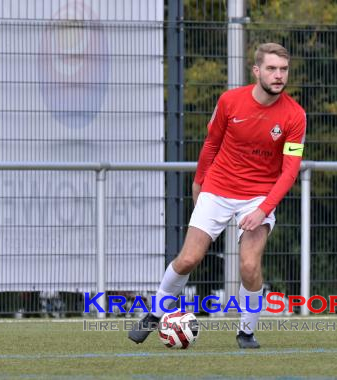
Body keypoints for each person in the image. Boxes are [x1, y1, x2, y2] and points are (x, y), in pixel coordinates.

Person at [128, 43, 306, 348]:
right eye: (272, 69)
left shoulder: (295, 115)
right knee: (188, 259)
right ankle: (155, 314)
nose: (278, 75)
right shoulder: (230, 101)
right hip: (218, 188)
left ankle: (246, 333)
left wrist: (263, 209)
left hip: (258, 197)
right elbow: (211, 144)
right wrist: (199, 182)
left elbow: (290, 171)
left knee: (249, 266)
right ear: (256, 71)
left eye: (283, 69)